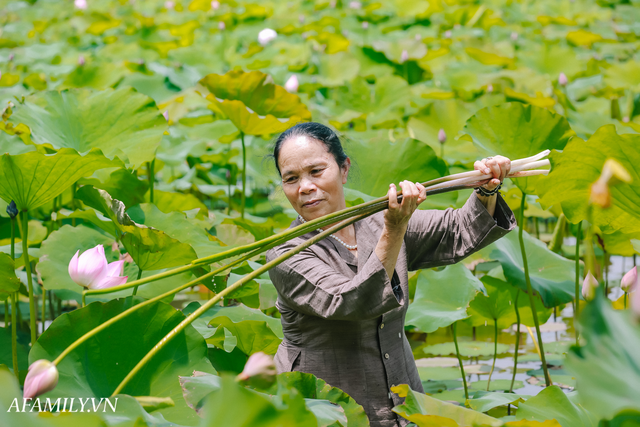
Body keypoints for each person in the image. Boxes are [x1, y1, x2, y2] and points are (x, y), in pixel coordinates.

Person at [265, 122, 516, 427]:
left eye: (316, 172)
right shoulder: (285, 254)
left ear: (344, 170)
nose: (304, 187)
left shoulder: (374, 223)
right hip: (327, 414)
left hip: (403, 405)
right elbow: (350, 301)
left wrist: (486, 187)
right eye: (291, 179)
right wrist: (394, 229)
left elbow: (456, 230)